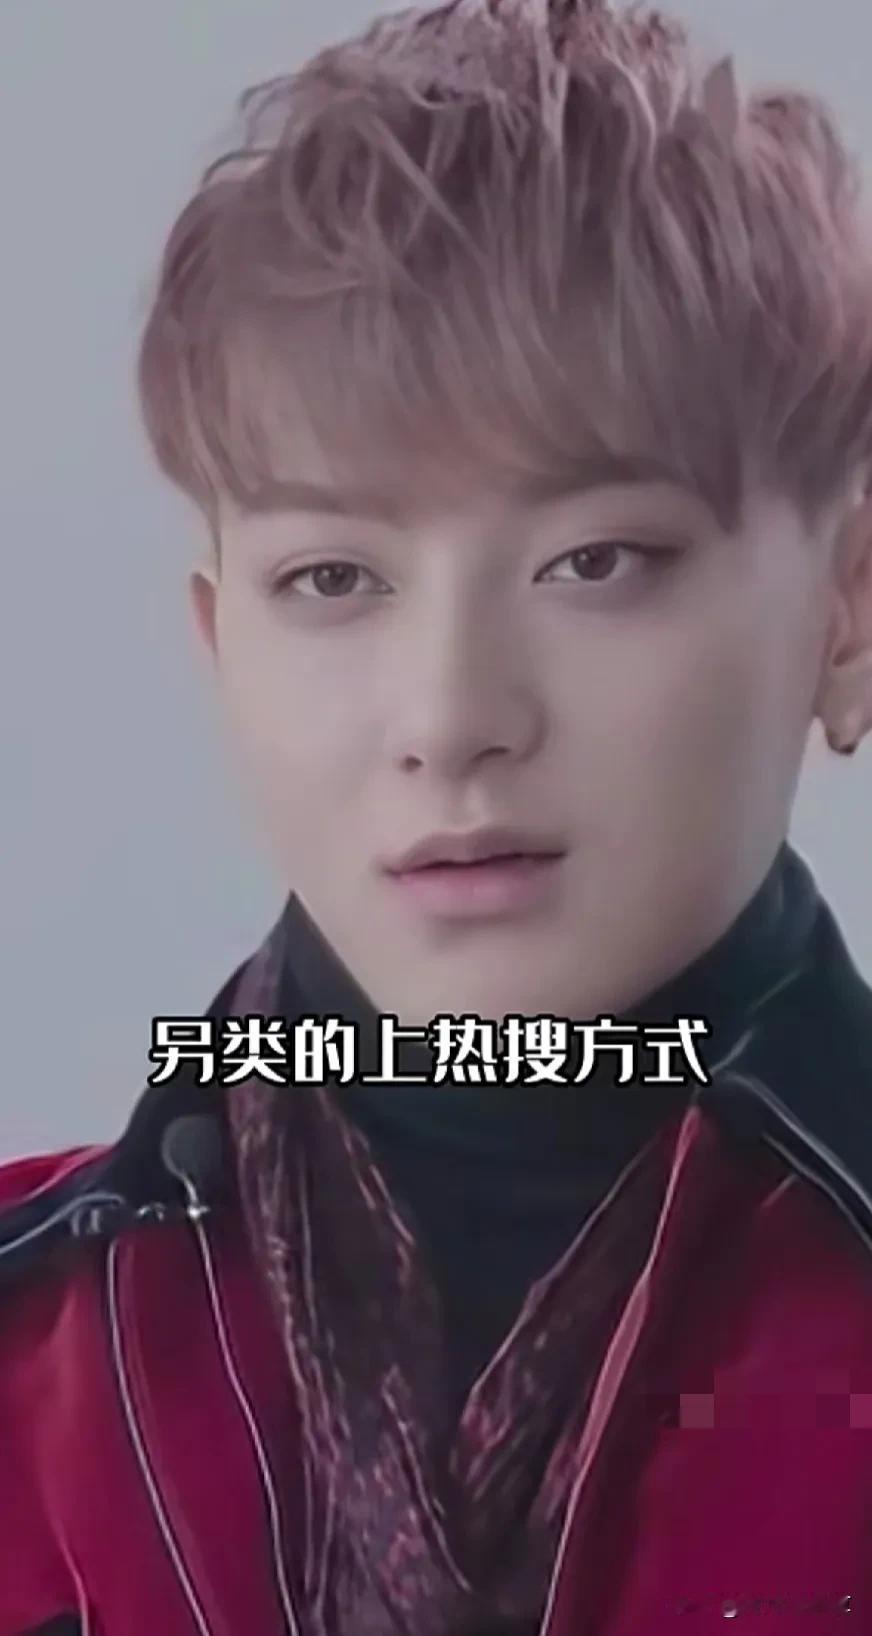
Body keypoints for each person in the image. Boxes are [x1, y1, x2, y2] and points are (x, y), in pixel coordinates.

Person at [2, 0, 872, 1630]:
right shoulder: (23, 1352)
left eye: (595, 561)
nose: (452, 716)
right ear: (221, 647)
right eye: (334, 579)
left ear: (849, 605)